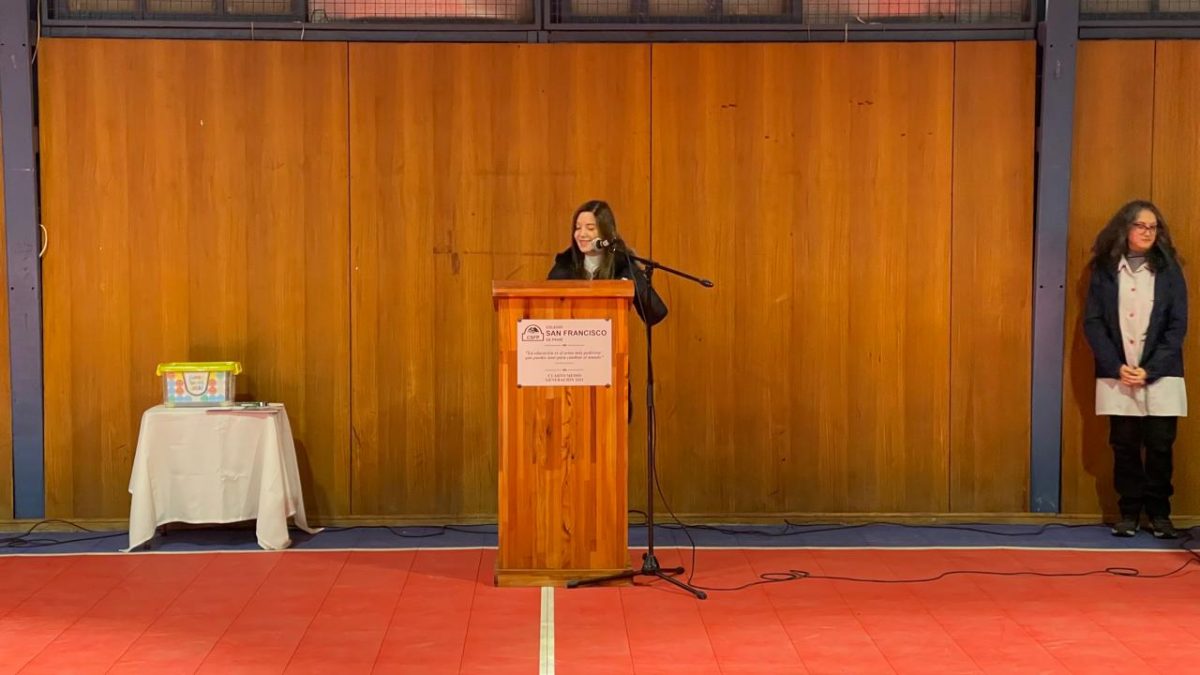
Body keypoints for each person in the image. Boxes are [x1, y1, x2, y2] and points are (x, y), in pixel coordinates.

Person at [1083, 200, 1187, 539]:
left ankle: (1160, 514)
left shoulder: (1170, 270)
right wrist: (1116, 365)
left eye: (1153, 227)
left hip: (1162, 374)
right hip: (1118, 373)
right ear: (1125, 228)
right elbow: (1094, 322)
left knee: (1160, 445)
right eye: (1141, 226)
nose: (1147, 232)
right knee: (1124, 444)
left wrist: (1150, 369)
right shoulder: (1104, 269)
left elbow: (1177, 325)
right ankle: (1128, 512)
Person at [548, 200, 667, 326]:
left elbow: (655, 312)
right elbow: (546, 309)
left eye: (590, 228)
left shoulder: (621, 265)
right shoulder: (564, 265)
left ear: (606, 233)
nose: (581, 234)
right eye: (577, 228)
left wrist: (629, 283)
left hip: (610, 340)